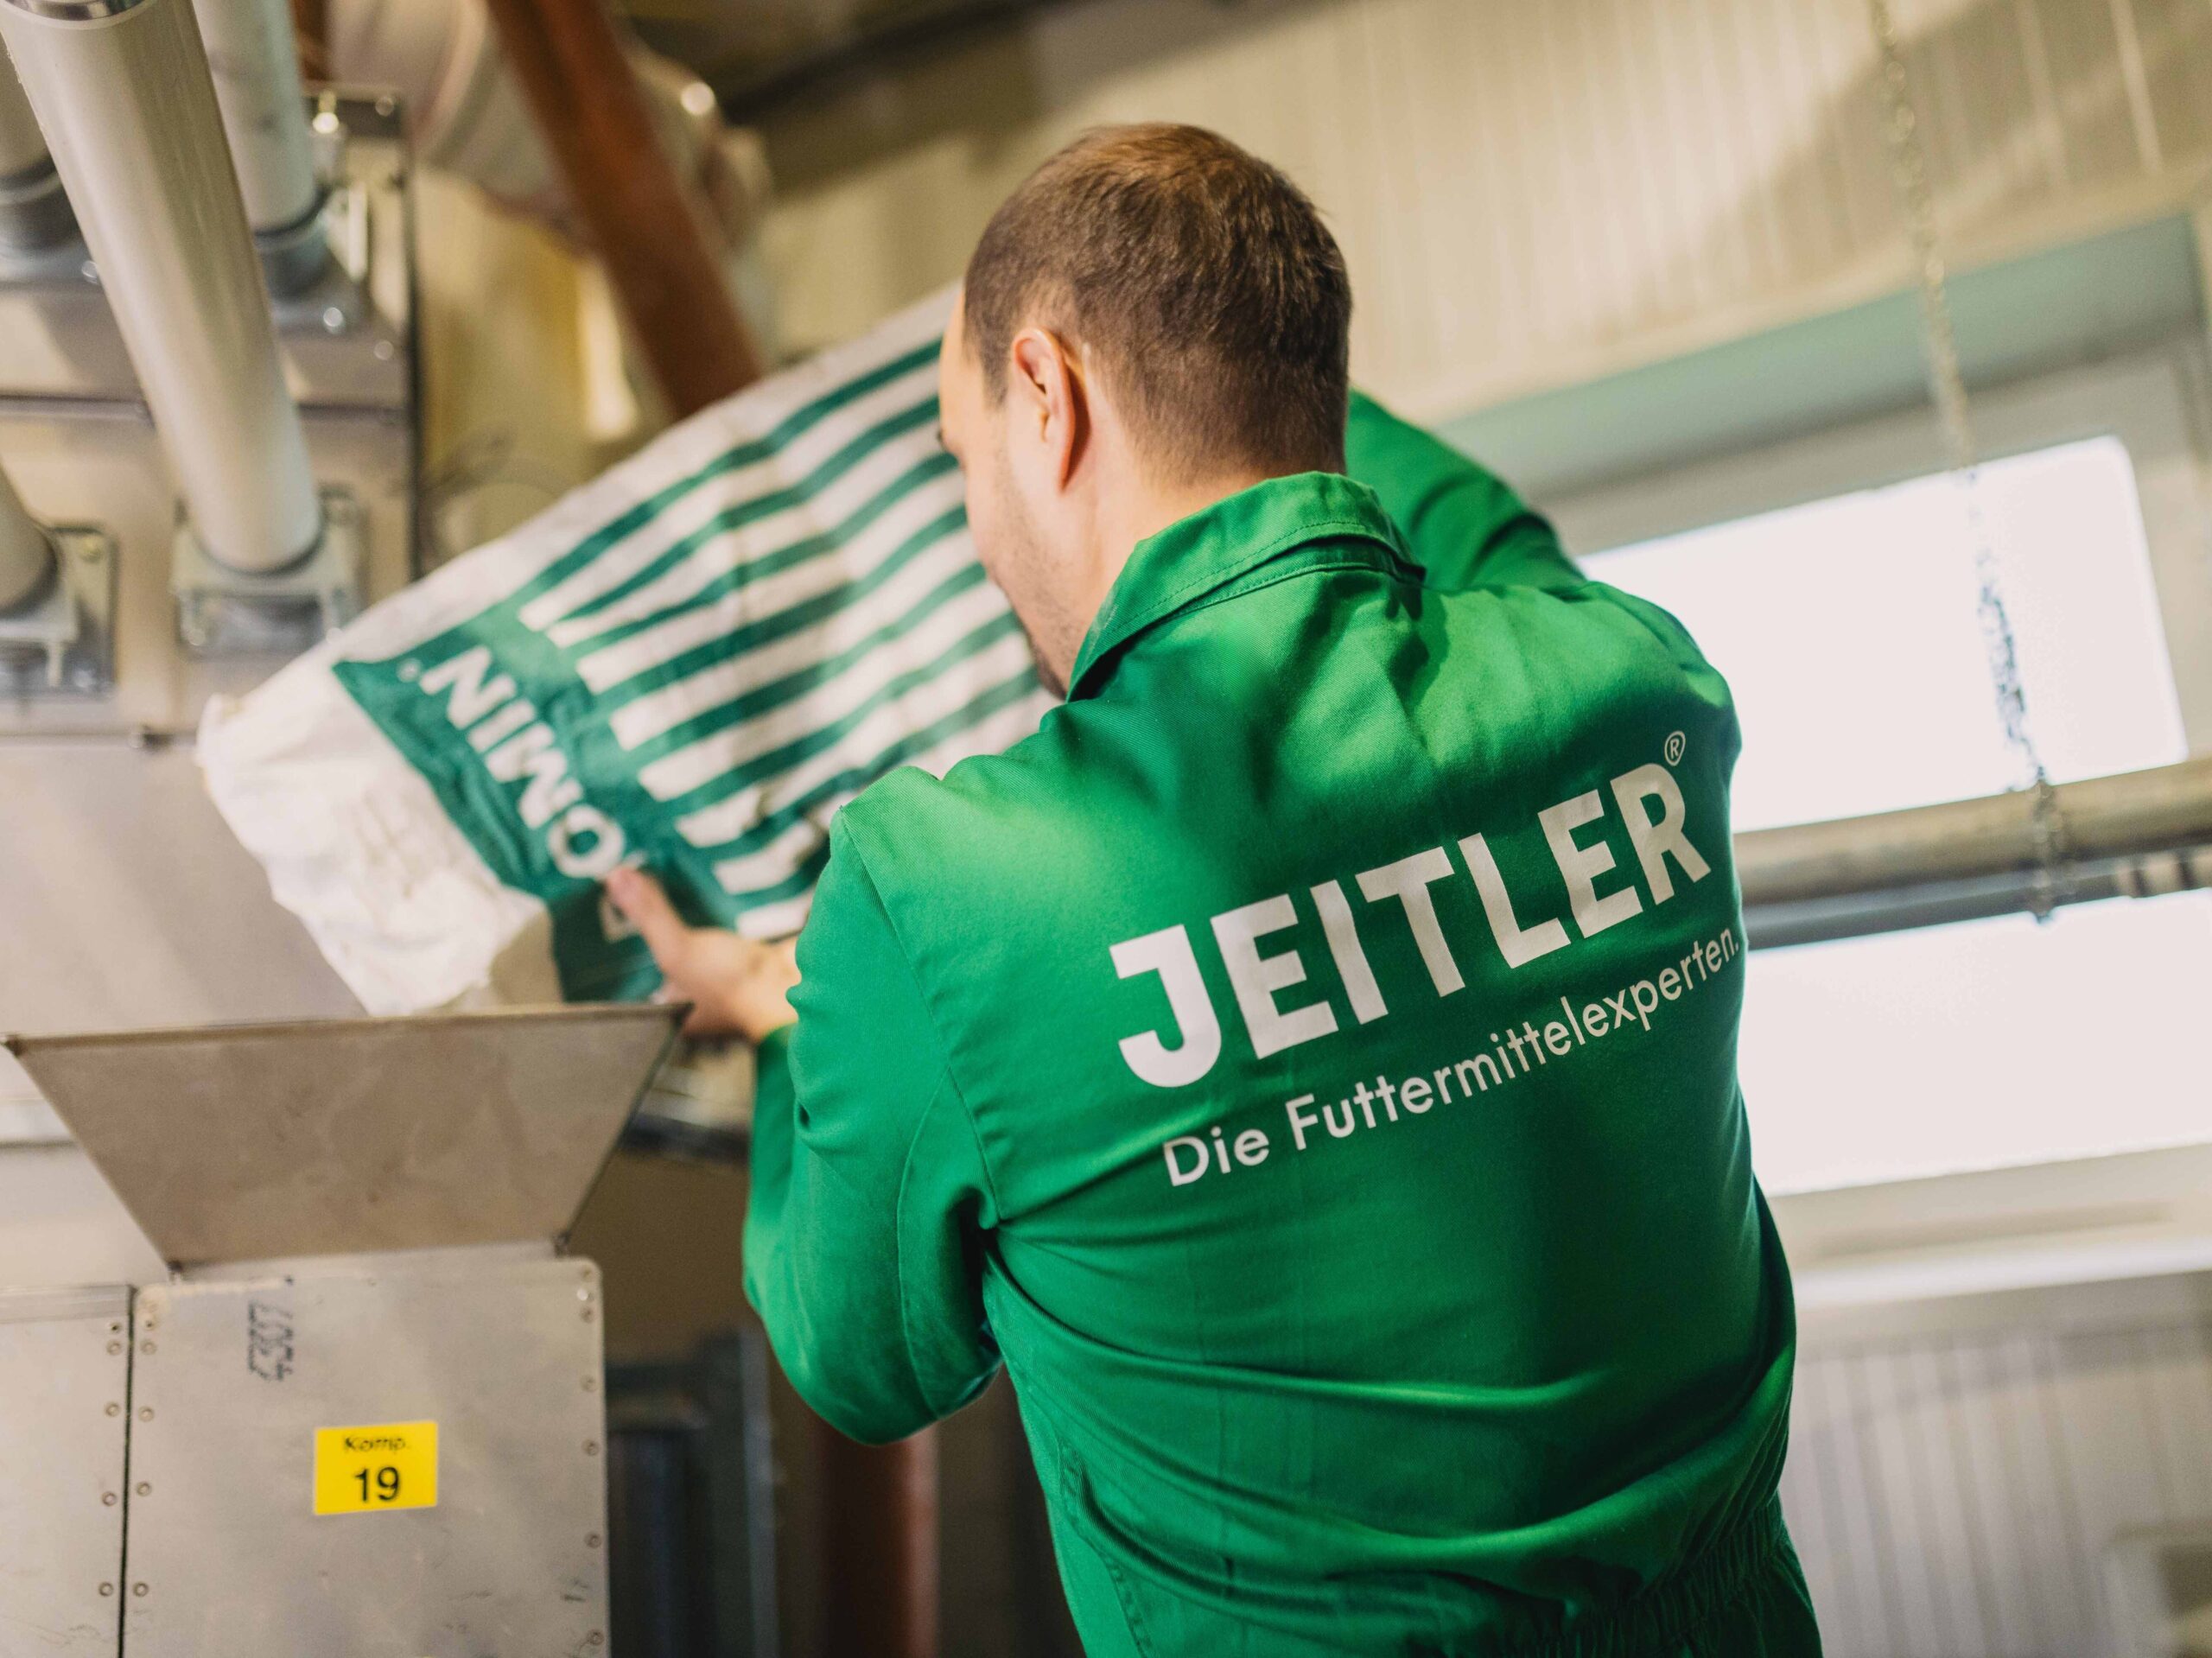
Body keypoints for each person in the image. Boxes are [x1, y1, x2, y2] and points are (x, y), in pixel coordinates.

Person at [606, 123, 1818, 1658]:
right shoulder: (1631, 687)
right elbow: (1487, 537)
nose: (979, 534)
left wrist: (789, 1015)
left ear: (1046, 395)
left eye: (963, 459)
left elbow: (863, 1363)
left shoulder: (938, 892)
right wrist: (1242, 340)